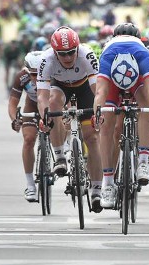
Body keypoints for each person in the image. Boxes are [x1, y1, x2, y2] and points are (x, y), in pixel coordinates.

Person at [36, 26, 103, 212]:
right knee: (53, 102)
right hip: (60, 86)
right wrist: (46, 116)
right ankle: (59, 157)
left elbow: (97, 91)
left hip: (84, 88)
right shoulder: (46, 59)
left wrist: (98, 112)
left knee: (92, 137)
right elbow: (42, 96)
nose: (67, 58)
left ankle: (97, 190)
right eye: (62, 54)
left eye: (71, 53)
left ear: (77, 48)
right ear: (55, 52)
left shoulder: (87, 54)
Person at [93, 23, 149, 209]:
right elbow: (100, 93)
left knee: (146, 103)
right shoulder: (106, 55)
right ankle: (108, 182)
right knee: (107, 123)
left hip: (137, 78)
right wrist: (98, 115)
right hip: (112, 80)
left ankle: (144, 158)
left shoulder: (143, 54)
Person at [8, 51, 43, 202]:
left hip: (50, 103)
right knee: (28, 139)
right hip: (32, 106)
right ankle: (30, 185)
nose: (35, 78)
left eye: (38, 74)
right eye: (32, 74)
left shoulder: (53, 71)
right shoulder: (21, 77)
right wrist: (15, 118)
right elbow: (12, 103)